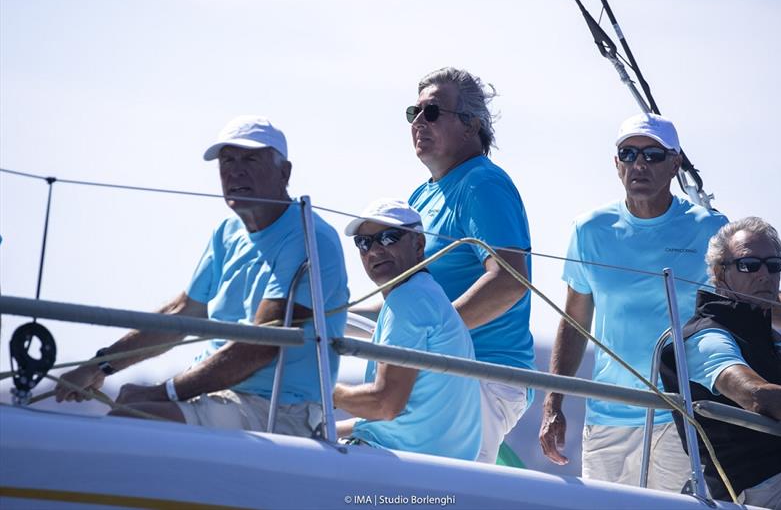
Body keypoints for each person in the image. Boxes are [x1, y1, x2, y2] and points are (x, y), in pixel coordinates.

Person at [55, 115, 349, 436]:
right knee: (125, 412)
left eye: (250, 158)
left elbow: (262, 345)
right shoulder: (227, 233)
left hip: (281, 409)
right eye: (227, 160)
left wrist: (162, 392)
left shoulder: (308, 236)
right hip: (220, 397)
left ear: (285, 172)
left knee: (130, 418)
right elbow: (181, 314)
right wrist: (99, 365)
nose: (235, 170)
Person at [539, 113, 729, 491]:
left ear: (675, 164)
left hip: (682, 417)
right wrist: (552, 403)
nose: (639, 164)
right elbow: (574, 322)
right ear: (616, 164)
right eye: (628, 154)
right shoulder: (589, 229)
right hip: (609, 414)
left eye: (653, 155)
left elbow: (736, 313)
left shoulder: (710, 228)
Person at [406, 67, 534, 464]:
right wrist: (335, 317)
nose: (418, 122)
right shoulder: (420, 196)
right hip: (437, 371)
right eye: (414, 112)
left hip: (479, 375)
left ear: (471, 126)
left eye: (432, 112)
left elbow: (509, 282)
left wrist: (431, 335)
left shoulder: (482, 184)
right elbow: (408, 296)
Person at [660, 217, 781, 508]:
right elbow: (756, 395)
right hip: (759, 488)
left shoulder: (772, 340)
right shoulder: (707, 337)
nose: (764, 274)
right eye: (749, 265)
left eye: (773, 265)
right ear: (719, 273)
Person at [333, 199, 482, 461]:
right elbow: (395, 417)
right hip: (435, 466)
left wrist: (325, 391)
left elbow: (385, 404)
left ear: (419, 244)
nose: (374, 250)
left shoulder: (408, 300)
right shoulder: (425, 294)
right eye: (363, 243)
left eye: (388, 238)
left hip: (399, 465)